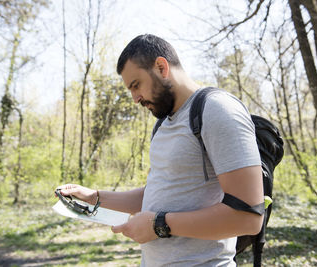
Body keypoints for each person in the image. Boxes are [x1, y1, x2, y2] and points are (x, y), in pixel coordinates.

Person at [57, 34, 263, 266]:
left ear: (161, 67)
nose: (135, 98)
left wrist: (158, 225)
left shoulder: (217, 109)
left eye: (136, 85)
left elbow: (248, 217)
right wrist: (94, 197)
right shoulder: (163, 124)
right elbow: (161, 191)